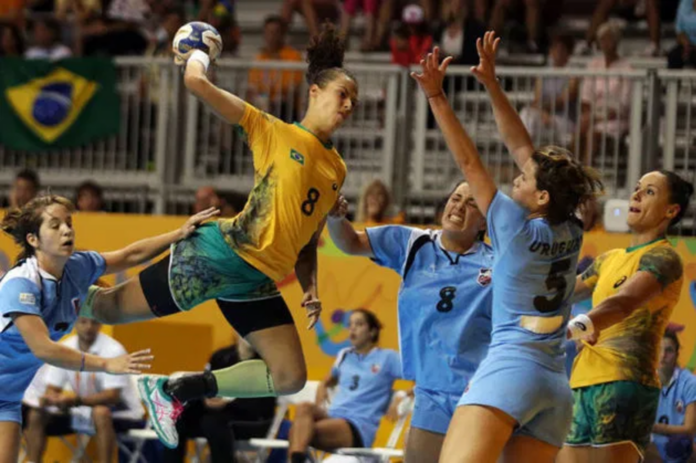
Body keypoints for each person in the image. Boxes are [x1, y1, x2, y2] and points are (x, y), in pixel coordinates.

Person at [78, 23, 359, 449]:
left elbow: (307, 238)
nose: (349, 105)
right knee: (108, 310)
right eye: (343, 95)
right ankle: (50, 281)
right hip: (216, 256)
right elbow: (195, 82)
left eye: (354, 100)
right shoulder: (271, 131)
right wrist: (198, 52)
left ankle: (174, 391)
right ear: (315, 92)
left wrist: (311, 287)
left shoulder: (337, 169)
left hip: (255, 282)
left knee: (288, 376)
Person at [411, 33, 602, 462]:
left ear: (541, 198)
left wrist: (437, 97)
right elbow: (522, 147)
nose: (518, 173)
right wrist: (492, 84)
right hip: (553, 385)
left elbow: (469, 163)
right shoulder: (572, 226)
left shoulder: (514, 226)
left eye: (526, 177)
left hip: (510, 371)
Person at [0, 194, 215, 463]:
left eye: (68, 223)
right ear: (33, 239)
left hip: (6, 398)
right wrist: (106, 364)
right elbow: (43, 349)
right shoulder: (21, 284)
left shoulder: (77, 267)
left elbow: (129, 255)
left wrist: (179, 233)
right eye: (55, 226)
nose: (67, 230)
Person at [327, 180, 494, 462]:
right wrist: (334, 217)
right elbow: (351, 242)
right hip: (432, 392)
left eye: (472, 203)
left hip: (482, 391)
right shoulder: (413, 243)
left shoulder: (497, 262)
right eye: (456, 197)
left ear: (484, 223)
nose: (459, 206)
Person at [560, 170, 693, 463]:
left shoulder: (663, 257)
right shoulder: (609, 259)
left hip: (624, 383)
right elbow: (560, 293)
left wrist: (572, 329)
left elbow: (623, 303)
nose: (635, 194)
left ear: (671, 211)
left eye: (649, 192)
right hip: (582, 381)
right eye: (636, 188)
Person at [23, 317, 145, 463]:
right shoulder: (65, 348)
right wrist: (50, 399)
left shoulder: (113, 350)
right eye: (83, 322)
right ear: (74, 323)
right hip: (83, 409)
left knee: (100, 412)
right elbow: (52, 388)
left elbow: (112, 396)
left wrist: (75, 401)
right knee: (37, 413)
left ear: (100, 324)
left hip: (123, 413)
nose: (88, 327)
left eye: (94, 322)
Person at [288, 309, 401, 463]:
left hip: (358, 425)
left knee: (299, 432)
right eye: (350, 324)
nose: (352, 328)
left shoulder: (388, 357)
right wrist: (323, 386)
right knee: (304, 408)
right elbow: (329, 379)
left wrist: (402, 396)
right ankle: (297, 458)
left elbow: (420, 377)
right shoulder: (344, 355)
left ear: (372, 332)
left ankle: (294, 459)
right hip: (334, 416)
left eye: (359, 324)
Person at [163, 338, 276, 463]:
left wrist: (227, 403)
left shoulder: (268, 361)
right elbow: (206, 386)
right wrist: (206, 399)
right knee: (178, 418)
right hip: (216, 416)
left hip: (254, 420)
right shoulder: (221, 356)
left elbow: (263, 405)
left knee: (213, 422)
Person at [575, 21, 633, 166]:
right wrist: (593, 116)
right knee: (581, 128)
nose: (605, 43)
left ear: (616, 41)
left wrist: (600, 116)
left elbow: (624, 104)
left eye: (609, 39)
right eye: (602, 39)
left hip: (616, 119)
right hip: (593, 115)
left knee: (591, 132)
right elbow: (585, 99)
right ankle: (571, 171)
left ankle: (585, 174)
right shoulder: (593, 65)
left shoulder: (627, 68)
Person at [519, 32, 578, 147]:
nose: (557, 53)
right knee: (526, 113)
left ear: (568, 53)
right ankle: (525, 154)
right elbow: (536, 100)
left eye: (561, 50)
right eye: (554, 49)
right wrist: (543, 112)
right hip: (544, 116)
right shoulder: (543, 74)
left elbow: (563, 101)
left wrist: (543, 108)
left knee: (535, 117)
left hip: (564, 119)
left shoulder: (573, 74)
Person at [646, 331, 696, 463]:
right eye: (659, 349)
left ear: (677, 354)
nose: (663, 356)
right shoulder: (645, 381)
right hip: (653, 447)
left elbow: (689, 429)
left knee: (680, 443)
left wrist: (656, 428)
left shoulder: (690, 382)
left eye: (669, 351)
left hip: (680, 448)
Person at [247, 15, 303, 122]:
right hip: (262, 103)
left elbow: (291, 88)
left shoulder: (293, 56)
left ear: (282, 34)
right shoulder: (260, 57)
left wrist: (270, 95)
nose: (271, 36)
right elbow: (252, 87)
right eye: (268, 32)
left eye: (275, 32)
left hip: (285, 107)